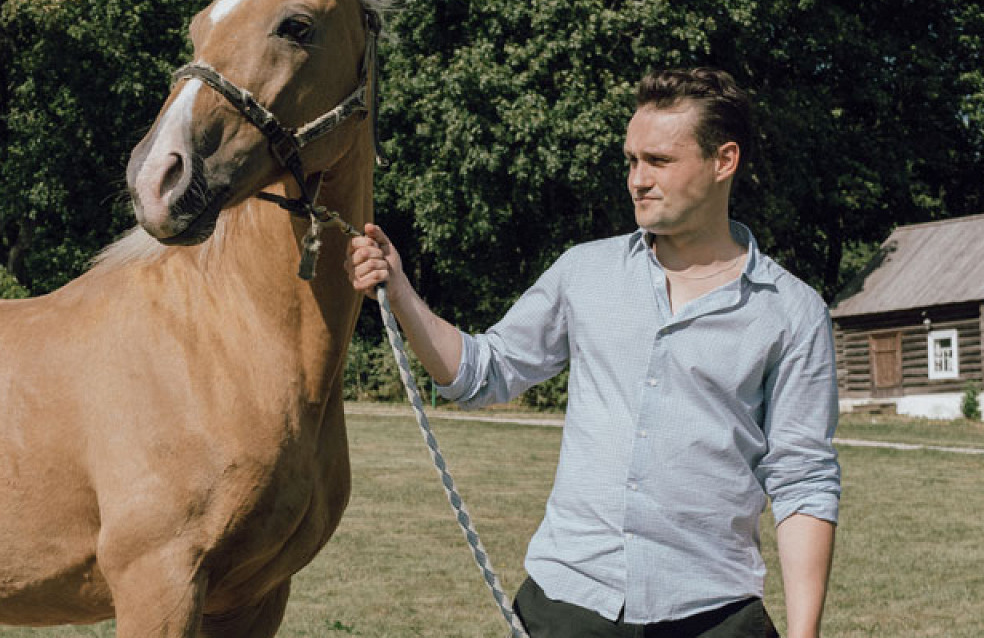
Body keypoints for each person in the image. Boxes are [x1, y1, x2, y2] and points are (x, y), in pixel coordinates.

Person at [345, 68, 840, 638]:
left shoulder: (793, 312)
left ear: (723, 161)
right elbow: (480, 374)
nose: (637, 180)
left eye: (658, 161)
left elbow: (804, 482)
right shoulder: (584, 272)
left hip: (711, 612)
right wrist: (401, 288)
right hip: (567, 603)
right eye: (631, 161)